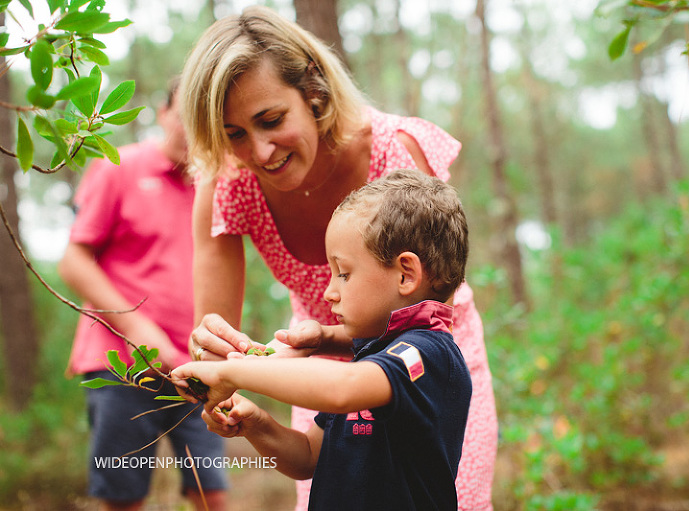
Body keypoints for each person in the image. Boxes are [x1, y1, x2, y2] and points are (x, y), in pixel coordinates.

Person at [179, 5, 497, 510]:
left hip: (417, 356)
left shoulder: (393, 151)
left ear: (313, 90)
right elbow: (220, 346)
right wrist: (222, 365)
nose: (258, 152)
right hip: (317, 369)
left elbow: (420, 314)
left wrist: (245, 371)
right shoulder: (229, 183)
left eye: (270, 120)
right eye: (234, 133)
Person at [172, 169, 473, 510]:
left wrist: (232, 373)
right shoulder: (372, 354)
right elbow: (308, 457)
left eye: (343, 273)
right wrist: (256, 425)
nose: (329, 292)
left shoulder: (427, 354)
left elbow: (342, 388)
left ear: (406, 274)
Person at [58, 79, 228, 511]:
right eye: (186, 112)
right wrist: (137, 327)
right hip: (123, 366)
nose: (195, 125)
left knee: (213, 495)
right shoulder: (121, 167)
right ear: (163, 112)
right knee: (124, 499)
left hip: (194, 369)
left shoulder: (215, 185)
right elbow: (74, 262)